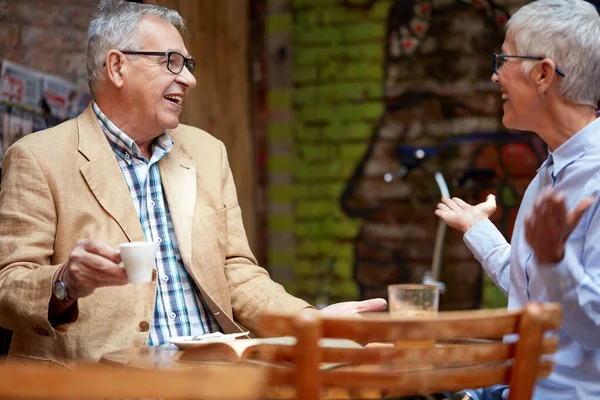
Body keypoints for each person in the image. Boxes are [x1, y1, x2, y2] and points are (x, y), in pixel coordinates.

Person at [0, 1, 385, 367]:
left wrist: (310, 322)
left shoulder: (207, 151)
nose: (189, 78)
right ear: (117, 67)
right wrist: (65, 282)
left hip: (212, 376)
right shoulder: (38, 156)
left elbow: (235, 271)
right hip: (99, 381)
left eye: (188, 64)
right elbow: (7, 285)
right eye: (172, 62)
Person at [435, 0, 600, 398]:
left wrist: (553, 262)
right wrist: (479, 231)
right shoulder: (551, 171)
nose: (494, 76)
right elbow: (538, 287)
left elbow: (594, 327)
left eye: (502, 59)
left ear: (543, 73)